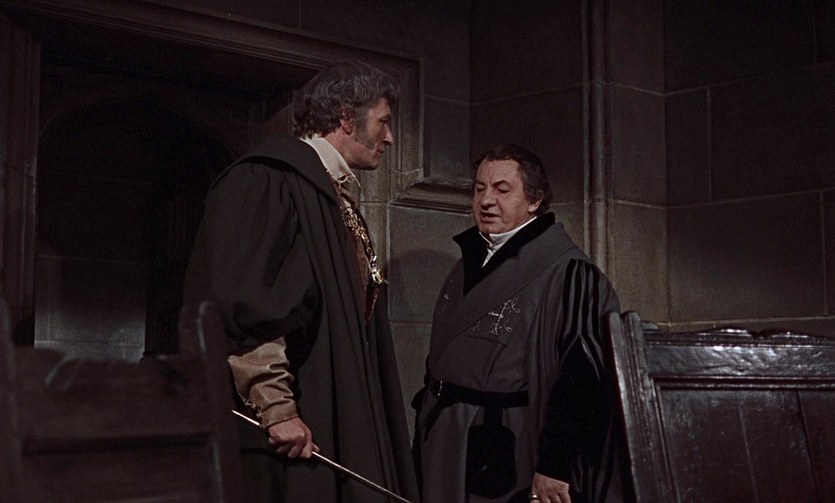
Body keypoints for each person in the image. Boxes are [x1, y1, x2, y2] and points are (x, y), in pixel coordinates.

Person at [184, 59, 419, 503]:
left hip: (331, 400)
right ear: (346, 119)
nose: (390, 138)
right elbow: (243, 304)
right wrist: (277, 407)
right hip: (292, 420)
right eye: (383, 122)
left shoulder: (328, 192)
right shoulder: (265, 180)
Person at [413, 144, 624, 503]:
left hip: (506, 446)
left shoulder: (572, 274)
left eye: (502, 189)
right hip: (447, 441)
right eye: (479, 189)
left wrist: (556, 465)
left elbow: (583, 378)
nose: (486, 201)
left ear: (535, 200)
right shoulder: (466, 264)